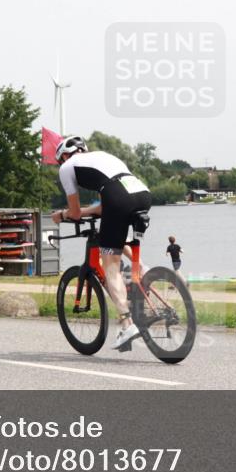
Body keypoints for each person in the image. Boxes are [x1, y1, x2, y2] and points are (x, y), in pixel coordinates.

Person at [51, 135, 151, 350]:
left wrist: (62, 214)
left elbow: (76, 213)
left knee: (111, 267)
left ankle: (126, 324)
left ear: (64, 156)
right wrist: (89, 211)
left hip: (117, 196)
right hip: (141, 192)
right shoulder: (103, 157)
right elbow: (107, 205)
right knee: (114, 236)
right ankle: (143, 267)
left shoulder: (67, 167)